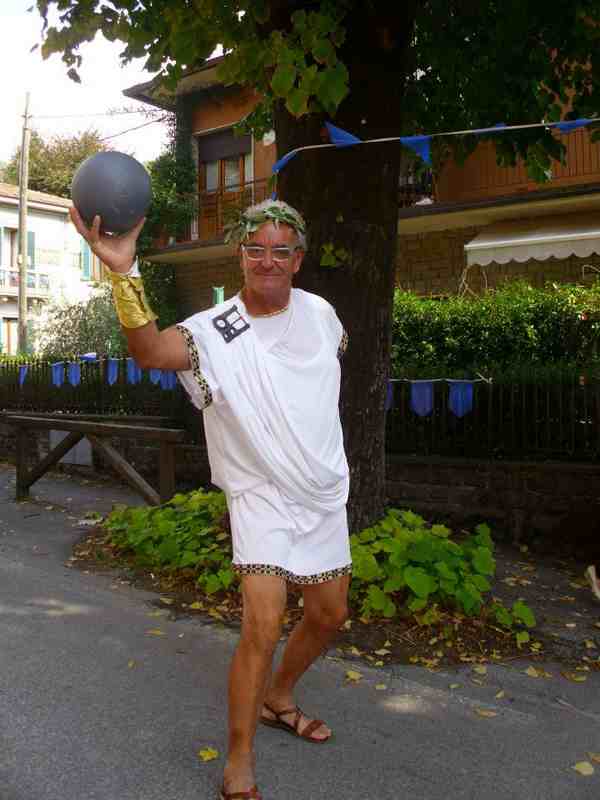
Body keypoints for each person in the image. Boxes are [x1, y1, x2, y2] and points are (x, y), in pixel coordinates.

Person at [70, 199, 352, 800]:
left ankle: (280, 697)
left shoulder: (324, 315)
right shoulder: (218, 329)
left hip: (322, 491)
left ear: (298, 260)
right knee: (263, 620)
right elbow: (149, 352)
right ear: (241, 255)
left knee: (330, 615)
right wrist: (123, 272)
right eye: (256, 250)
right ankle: (240, 758)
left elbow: (320, 386)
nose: (268, 262)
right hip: (260, 494)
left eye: (281, 251)